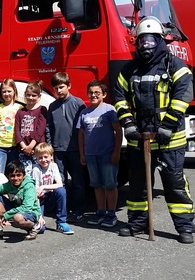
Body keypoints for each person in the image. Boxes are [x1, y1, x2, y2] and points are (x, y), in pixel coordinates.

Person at [113, 16, 195, 244]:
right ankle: (138, 224)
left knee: (174, 183)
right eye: (141, 41)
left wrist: (167, 126)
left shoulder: (175, 66)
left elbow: (183, 97)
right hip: (139, 138)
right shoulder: (129, 70)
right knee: (139, 185)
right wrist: (128, 124)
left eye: (150, 41)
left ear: (160, 40)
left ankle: (184, 227)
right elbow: (119, 98)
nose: (145, 46)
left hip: (169, 139)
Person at [77, 80, 121, 228]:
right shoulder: (84, 112)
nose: (93, 95)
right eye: (90, 92)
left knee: (110, 184)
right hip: (90, 155)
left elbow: (118, 131)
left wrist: (116, 151)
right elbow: (81, 134)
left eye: (97, 92)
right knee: (97, 184)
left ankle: (111, 213)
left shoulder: (109, 110)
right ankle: (101, 211)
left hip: (107, 154)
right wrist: (82, 154)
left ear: (104, 94)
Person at [47, 72, 87, 222]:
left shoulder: (78, 104)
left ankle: (79, 211)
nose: (59, 90)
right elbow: (49, 128)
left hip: (75, 150)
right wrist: (50, 148)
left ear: (69, 85)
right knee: (60, 182)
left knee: (77, 182)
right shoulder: (52, 106)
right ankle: (62, 210)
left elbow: (83, 129)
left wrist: (83, 150)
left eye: (62, 87)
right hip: (58, 151)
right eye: (56, 88)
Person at [0, 160, 42, 242]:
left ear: (23, 175)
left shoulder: (29, 186)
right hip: (16, 209)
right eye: (12, 176)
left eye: (19, 175)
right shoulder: (8, 185)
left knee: (18, 218)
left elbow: (27, 207)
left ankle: (35, 226)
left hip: (31, 213)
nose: (16, 178)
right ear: (8, 176)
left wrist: (6, 215)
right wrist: (0, 204)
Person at [31, 143, 74, 235]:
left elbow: (59, 184)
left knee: (61, 191)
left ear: (51, 156)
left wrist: (43, 187)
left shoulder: (53, 166)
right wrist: (39, 217)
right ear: (36, 158)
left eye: (46, 157)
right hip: (39, 200)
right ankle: (34, 220)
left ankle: (61, 222)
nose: (43, 160)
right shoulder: (36, 170)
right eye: (40, 158)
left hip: (50, 197)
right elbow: (36, 194)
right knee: (41, 229)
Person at [14, 80, 48, 175]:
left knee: (39, 174)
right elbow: (17, 131)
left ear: (39, 96)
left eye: (34, 95)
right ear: (25, 94)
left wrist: (31, 146)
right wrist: (24, 147)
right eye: (28, 95)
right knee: (25, 174)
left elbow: (40, 131)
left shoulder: (42, 110)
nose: (30, 98)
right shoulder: (20, 112)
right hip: (23, 150)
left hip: (37, 149)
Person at [0, 78, 20, 168]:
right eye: (4, 92)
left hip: (14, 146)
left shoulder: (19, 108)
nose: (6, 94)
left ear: (14, 91)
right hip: (0, 147)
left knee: (14, 172)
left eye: (9, 91)